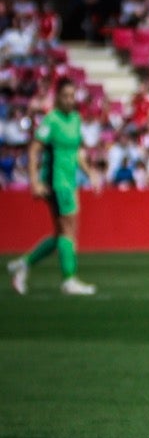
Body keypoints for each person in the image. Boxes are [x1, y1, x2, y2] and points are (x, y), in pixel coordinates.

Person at [8, 78, 98, 295]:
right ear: (57, 97)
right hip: (56, 182)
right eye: (65, 96)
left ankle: (24, 264)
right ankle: (69, 279)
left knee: (62, 233)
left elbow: (75, 151)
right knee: (69, 230)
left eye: (72, 96)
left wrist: (90, 172)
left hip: (70, 181)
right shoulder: (52, 121)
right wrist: (35, 182)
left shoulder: (75, 119)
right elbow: (34, 150)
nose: (69, 100)